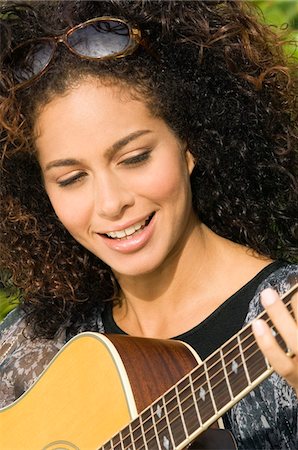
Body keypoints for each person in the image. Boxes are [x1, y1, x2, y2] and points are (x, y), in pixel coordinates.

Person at [0, 0, 297, 448]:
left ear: (189, 143)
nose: (111, 203)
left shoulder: (285, 311)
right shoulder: (29, 343)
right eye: (71, 178)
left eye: (135, 158)